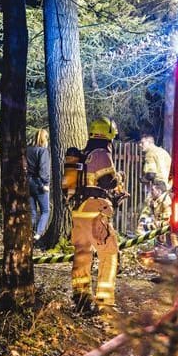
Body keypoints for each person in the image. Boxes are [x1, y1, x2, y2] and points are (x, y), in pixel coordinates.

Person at [65, 117, 129, 315]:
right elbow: (107, 182)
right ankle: (104, 301)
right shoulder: (101, 153)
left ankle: (81, 298)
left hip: (79, 212)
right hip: (95, 211)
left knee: (82, 255)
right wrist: (119, 178)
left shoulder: (83, 155)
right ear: (108, 134)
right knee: (109, 253)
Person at [26, 128, 51, 243]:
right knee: (45, 211)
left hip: (28, 182)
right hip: (39, 183)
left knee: (33, 212)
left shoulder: (28, 149)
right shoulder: (43, 151)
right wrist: (45, 184)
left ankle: (28, 234)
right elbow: (43, 170)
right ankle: (38, 234)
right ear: (44, 138)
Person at [139, 133, 172, 204]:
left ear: (150, 143)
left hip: (157, 186)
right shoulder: (163, 152)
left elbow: (151, 174)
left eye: (142, 143)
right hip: (166, 185)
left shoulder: (150, 153)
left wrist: (142, 179)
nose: (140, 145)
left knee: (147, 210)